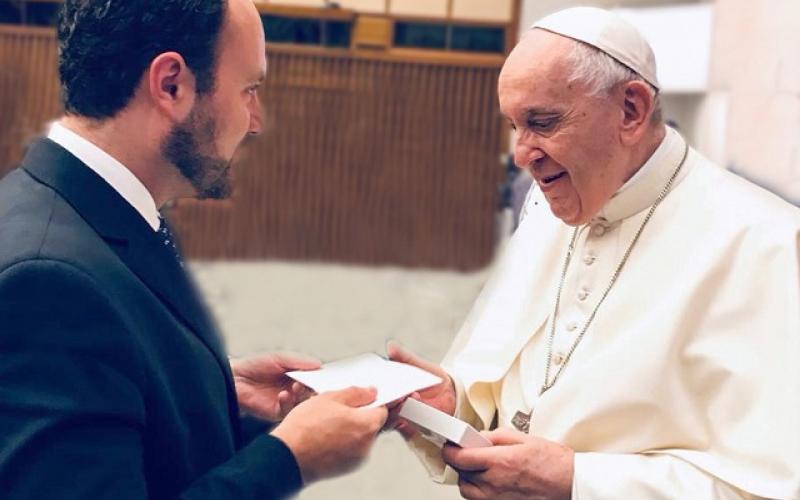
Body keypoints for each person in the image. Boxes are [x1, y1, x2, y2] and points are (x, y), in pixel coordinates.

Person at [388, 7, 800, 499]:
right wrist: (450, 406)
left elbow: (773, 486)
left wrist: (577, 482)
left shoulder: (769, 244)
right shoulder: (549, 203)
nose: (522, 153)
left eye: (542, 122)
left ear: (631, 110)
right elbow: (515, 391)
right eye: (515, 126)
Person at [0, 0, 387, 498]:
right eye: (249, 90)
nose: (255, 121)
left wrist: (212, 388)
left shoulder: (78, 211)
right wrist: (286, 460)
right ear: (172, 85)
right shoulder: (48, 281)